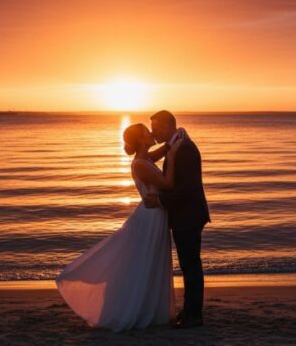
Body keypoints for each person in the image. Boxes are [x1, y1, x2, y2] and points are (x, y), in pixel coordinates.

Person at [55, 123, 181, 331]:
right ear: (141, 140)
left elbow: (159, 153)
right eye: (147, 132)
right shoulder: (140, 164)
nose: (151, 133)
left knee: (151, 262)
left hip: (154, 215)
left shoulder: (146, 159)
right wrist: (174, 155)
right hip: (150, 218)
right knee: (145, 262)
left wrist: (171, 142)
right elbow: (167, 185)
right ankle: (136, 309)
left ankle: (149, 308)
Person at [142, 110, 210, 328]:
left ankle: (194, 316)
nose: (153, 132)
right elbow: (145, 159)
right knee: (188, 264)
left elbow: (187, 187)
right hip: (184, 214)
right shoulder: (176, 145)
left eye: (157, 127)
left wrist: (160, 201)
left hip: (189, 215)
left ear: (169, 126)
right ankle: (189, 310)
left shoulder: (185, 149)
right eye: (151, 128)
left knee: (190, 265)